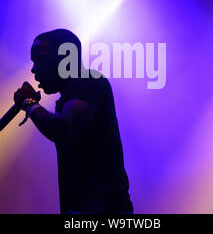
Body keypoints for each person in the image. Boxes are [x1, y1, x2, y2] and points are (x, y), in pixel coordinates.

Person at [13, 29, 133, 214]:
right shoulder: (66, 99)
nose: (34, 69)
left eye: (40, 60)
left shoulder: (89, 81)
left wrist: (29, 103)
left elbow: (62, 129)